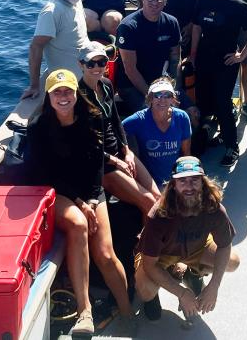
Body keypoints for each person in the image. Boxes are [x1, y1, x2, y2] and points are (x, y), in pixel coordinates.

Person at [26, 69, 134, 336]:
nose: (63, 97)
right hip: (56, 190)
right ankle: (85, 311)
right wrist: (79, 202)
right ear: (49, 96)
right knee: (78, 224)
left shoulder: (92, 118)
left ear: (76, 94)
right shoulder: (38, 127)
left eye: (68, 91)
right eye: (57, 92)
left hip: (89, 191)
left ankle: (126, 309)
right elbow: (45, 174)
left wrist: (91, 199)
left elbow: (97, 164)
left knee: (106, 255)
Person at [134, 156, 240, 321]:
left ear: (203, 183)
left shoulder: (214, 208)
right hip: (160, 255)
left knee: (233, 262)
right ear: (173, 186)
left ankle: (192, 273)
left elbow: (225, 246)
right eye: (182, 181)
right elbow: (150, 265)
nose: (189, 187)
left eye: (194, 180)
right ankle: (156, 294)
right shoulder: (158, 215)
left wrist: (214, 285)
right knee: (146, 290)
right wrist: (182, 293)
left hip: (195, 247)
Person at [78, 42, 160, 216]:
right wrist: (116, 162)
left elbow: (116, 121)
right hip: (101, 163)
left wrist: (127, 151)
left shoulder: (106, 84)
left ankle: (149, 239)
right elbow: (86, 147)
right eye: (91, 63)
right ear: (81, 64)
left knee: (157, 197)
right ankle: (146, 243)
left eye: (101, 62)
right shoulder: (78, 96)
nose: (97, 68)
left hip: (119, 152)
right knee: (149, 202)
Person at [190, 0, 247, 167]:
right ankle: (211, 137)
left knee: (223, 102)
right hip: (204, 59)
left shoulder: (238, 5)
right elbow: (196, 27)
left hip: (226, 62)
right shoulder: (203, 0)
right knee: (204, 102)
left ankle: (232, 146)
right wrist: (193, 54)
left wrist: (242, 55)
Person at [22, 0, 90, 99]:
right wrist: (34, 86)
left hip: (89, 70)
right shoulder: (51, 12)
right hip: (71, 81)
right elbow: (35, 47)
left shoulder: (76, 1)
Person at [115, 0, 181, 115]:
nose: (155, 2)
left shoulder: (172, 22)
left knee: (192, 112)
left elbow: (175, 56)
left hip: (162, 82)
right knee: (155, 114)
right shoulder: (128, 27)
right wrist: (152, 95)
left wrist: (172, 86)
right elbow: (130, 69)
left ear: (165, 1)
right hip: (132, 86)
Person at [122, 78, 192, 186]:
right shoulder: (138, 119)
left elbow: (186, 153)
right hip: (151, 183)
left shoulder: (182, 117)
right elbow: (117, 129)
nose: (162, 100)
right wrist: (127, 152)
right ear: (150, 98)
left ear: (173, 99)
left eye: (167, 95)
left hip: (175, 181)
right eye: (158, 95)